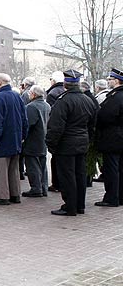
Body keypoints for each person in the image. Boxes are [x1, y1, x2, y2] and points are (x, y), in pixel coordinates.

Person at [46, 70, 97, 216]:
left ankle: (70, 206)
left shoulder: (64, 101)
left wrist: (51, 144)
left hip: (66, 144)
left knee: (67, 176)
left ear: (66, 84)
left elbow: (56, 126)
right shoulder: (87, 100)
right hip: (81, 142)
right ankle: (79, 204)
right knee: (79, 175)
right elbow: (92, 123)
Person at [0, 73, 29, 206]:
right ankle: (15, 194)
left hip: (2, 140)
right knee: (13, 169)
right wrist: (23, 136)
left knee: (1, 170)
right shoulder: (17, 96)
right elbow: (24, 119)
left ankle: (3, 195)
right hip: (15, 138)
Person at [94, 68, 123, 208]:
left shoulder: (116, 97)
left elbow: (104, 116)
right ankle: (120, 195)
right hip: (118, 137)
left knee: (111, 169)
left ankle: (112, 197)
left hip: (113, 138)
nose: (108, 82)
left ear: (116, 81)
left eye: (110, 80)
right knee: (120, 168)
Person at [21, 85, 51, 197]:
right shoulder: (47, 105)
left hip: (33, 140)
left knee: (32, 165)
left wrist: (22, 137)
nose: (28, 95)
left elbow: (28, 124)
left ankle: (36, 188)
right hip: (43, 139)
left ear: (33, 94)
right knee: (42, 165)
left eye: (29, 93)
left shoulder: (31, 107)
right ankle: (43, 187)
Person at [46, 71, 66, 192]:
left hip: (59, 133)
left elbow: (52, 116)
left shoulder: (52, 93)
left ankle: (56, 184)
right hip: (72, 135)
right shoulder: (65, 91)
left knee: (56, 160)